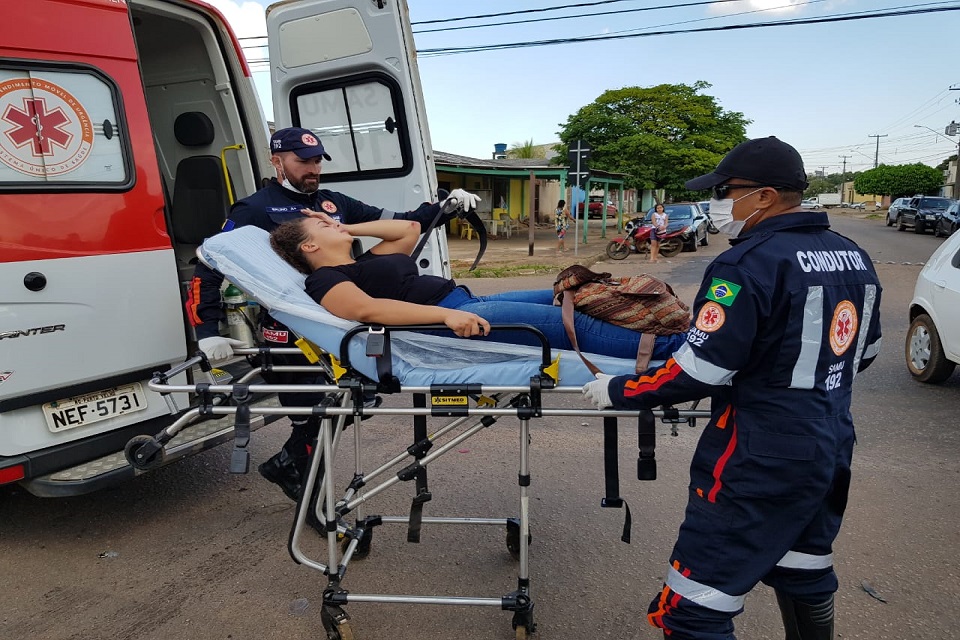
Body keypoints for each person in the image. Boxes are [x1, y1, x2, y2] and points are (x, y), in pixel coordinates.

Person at [582, 137, 883, 640]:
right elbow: (862, 353)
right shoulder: (852, 256)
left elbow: (700, 368)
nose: (717, 203)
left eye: (725, 191)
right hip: (829, 443)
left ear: (764, 196)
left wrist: (620, 391)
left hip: (758, 454)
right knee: (803, 570)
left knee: (692, 605)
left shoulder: (746, 264)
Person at [186, 126, 480, 506]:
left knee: (350, 406)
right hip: (291, 332)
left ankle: (288, 465)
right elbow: (210, 265)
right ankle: (317, 508)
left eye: (317, 161)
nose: (313, 169)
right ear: (277, 161)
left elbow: (403, 222)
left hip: (338, 320)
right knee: (314, 416)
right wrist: (206, 330)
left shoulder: (332, 203)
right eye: (302, 161)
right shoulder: (254, 208)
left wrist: (445, 205)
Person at [268, 215, 687, 360]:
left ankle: (673, 327)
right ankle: (679, 350)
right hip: (455, 320)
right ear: (310, 245)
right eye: (323, 225)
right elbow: (366, 312)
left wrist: (342, 227)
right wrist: (448, 315)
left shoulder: (362, 261)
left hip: (470, 301)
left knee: (577, 292)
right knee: (575, 325)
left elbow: (409, 229)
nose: (332, 222)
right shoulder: (324, 279)